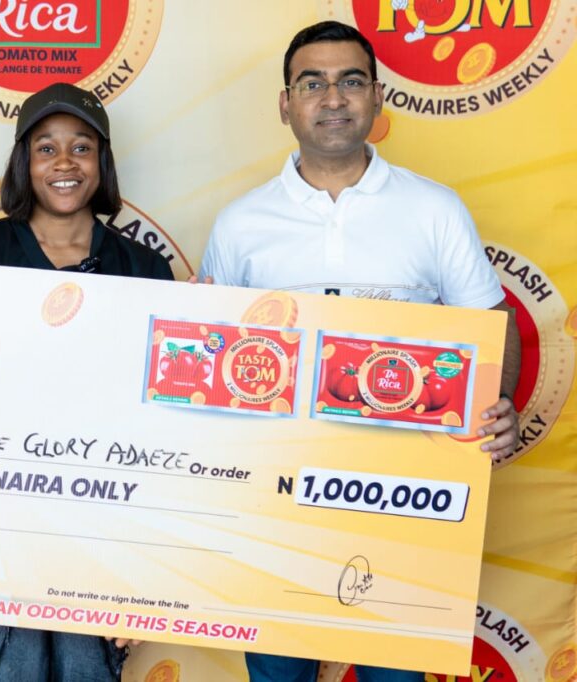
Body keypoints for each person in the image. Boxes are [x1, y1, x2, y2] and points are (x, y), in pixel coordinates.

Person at [199, 21, 521, 682]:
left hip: (406, 494)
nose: (333, 98)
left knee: (393, 675)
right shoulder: (239, 224)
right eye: (311, 83)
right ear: (285, 104)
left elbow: (491, 322)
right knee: (279, 673)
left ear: (378, 97)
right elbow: (215, 361)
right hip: (277, 500)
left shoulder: (434, 209)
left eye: (350, 81)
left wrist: (500, 403)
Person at [0, 82, 173, 682]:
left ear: (102, 163)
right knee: (12, 668)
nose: (64, 163)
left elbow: (163, 417)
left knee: (86, 669)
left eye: (81, 147)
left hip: (102, 517)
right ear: (23, 163)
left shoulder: (144, 267)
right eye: (46, 148)